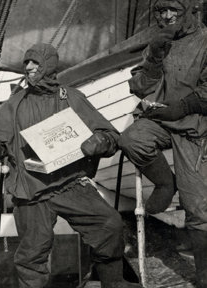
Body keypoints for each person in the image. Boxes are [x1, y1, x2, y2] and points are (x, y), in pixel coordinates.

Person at [0, 43, 142, 288]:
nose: (28, 67)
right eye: (26, 63)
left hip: (69, 183)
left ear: (48, 65)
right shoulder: (15, 104)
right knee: (32, 253)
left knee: (109, 224)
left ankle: (113, 281)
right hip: (31, 190)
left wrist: (100, 141)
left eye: (35, 63)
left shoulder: (72, 97)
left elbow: (109, 134)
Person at [118, 0, 207, 287]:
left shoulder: (204, 41)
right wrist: (155, 55)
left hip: (194, 125)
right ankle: (165, 184)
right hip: (160, 120)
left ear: (191, 12)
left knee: (198, 209)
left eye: (173, 11)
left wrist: (182, 107)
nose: (166, 16)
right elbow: (141, 87)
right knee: (131, 139)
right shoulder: (159, 41)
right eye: (160, 10)